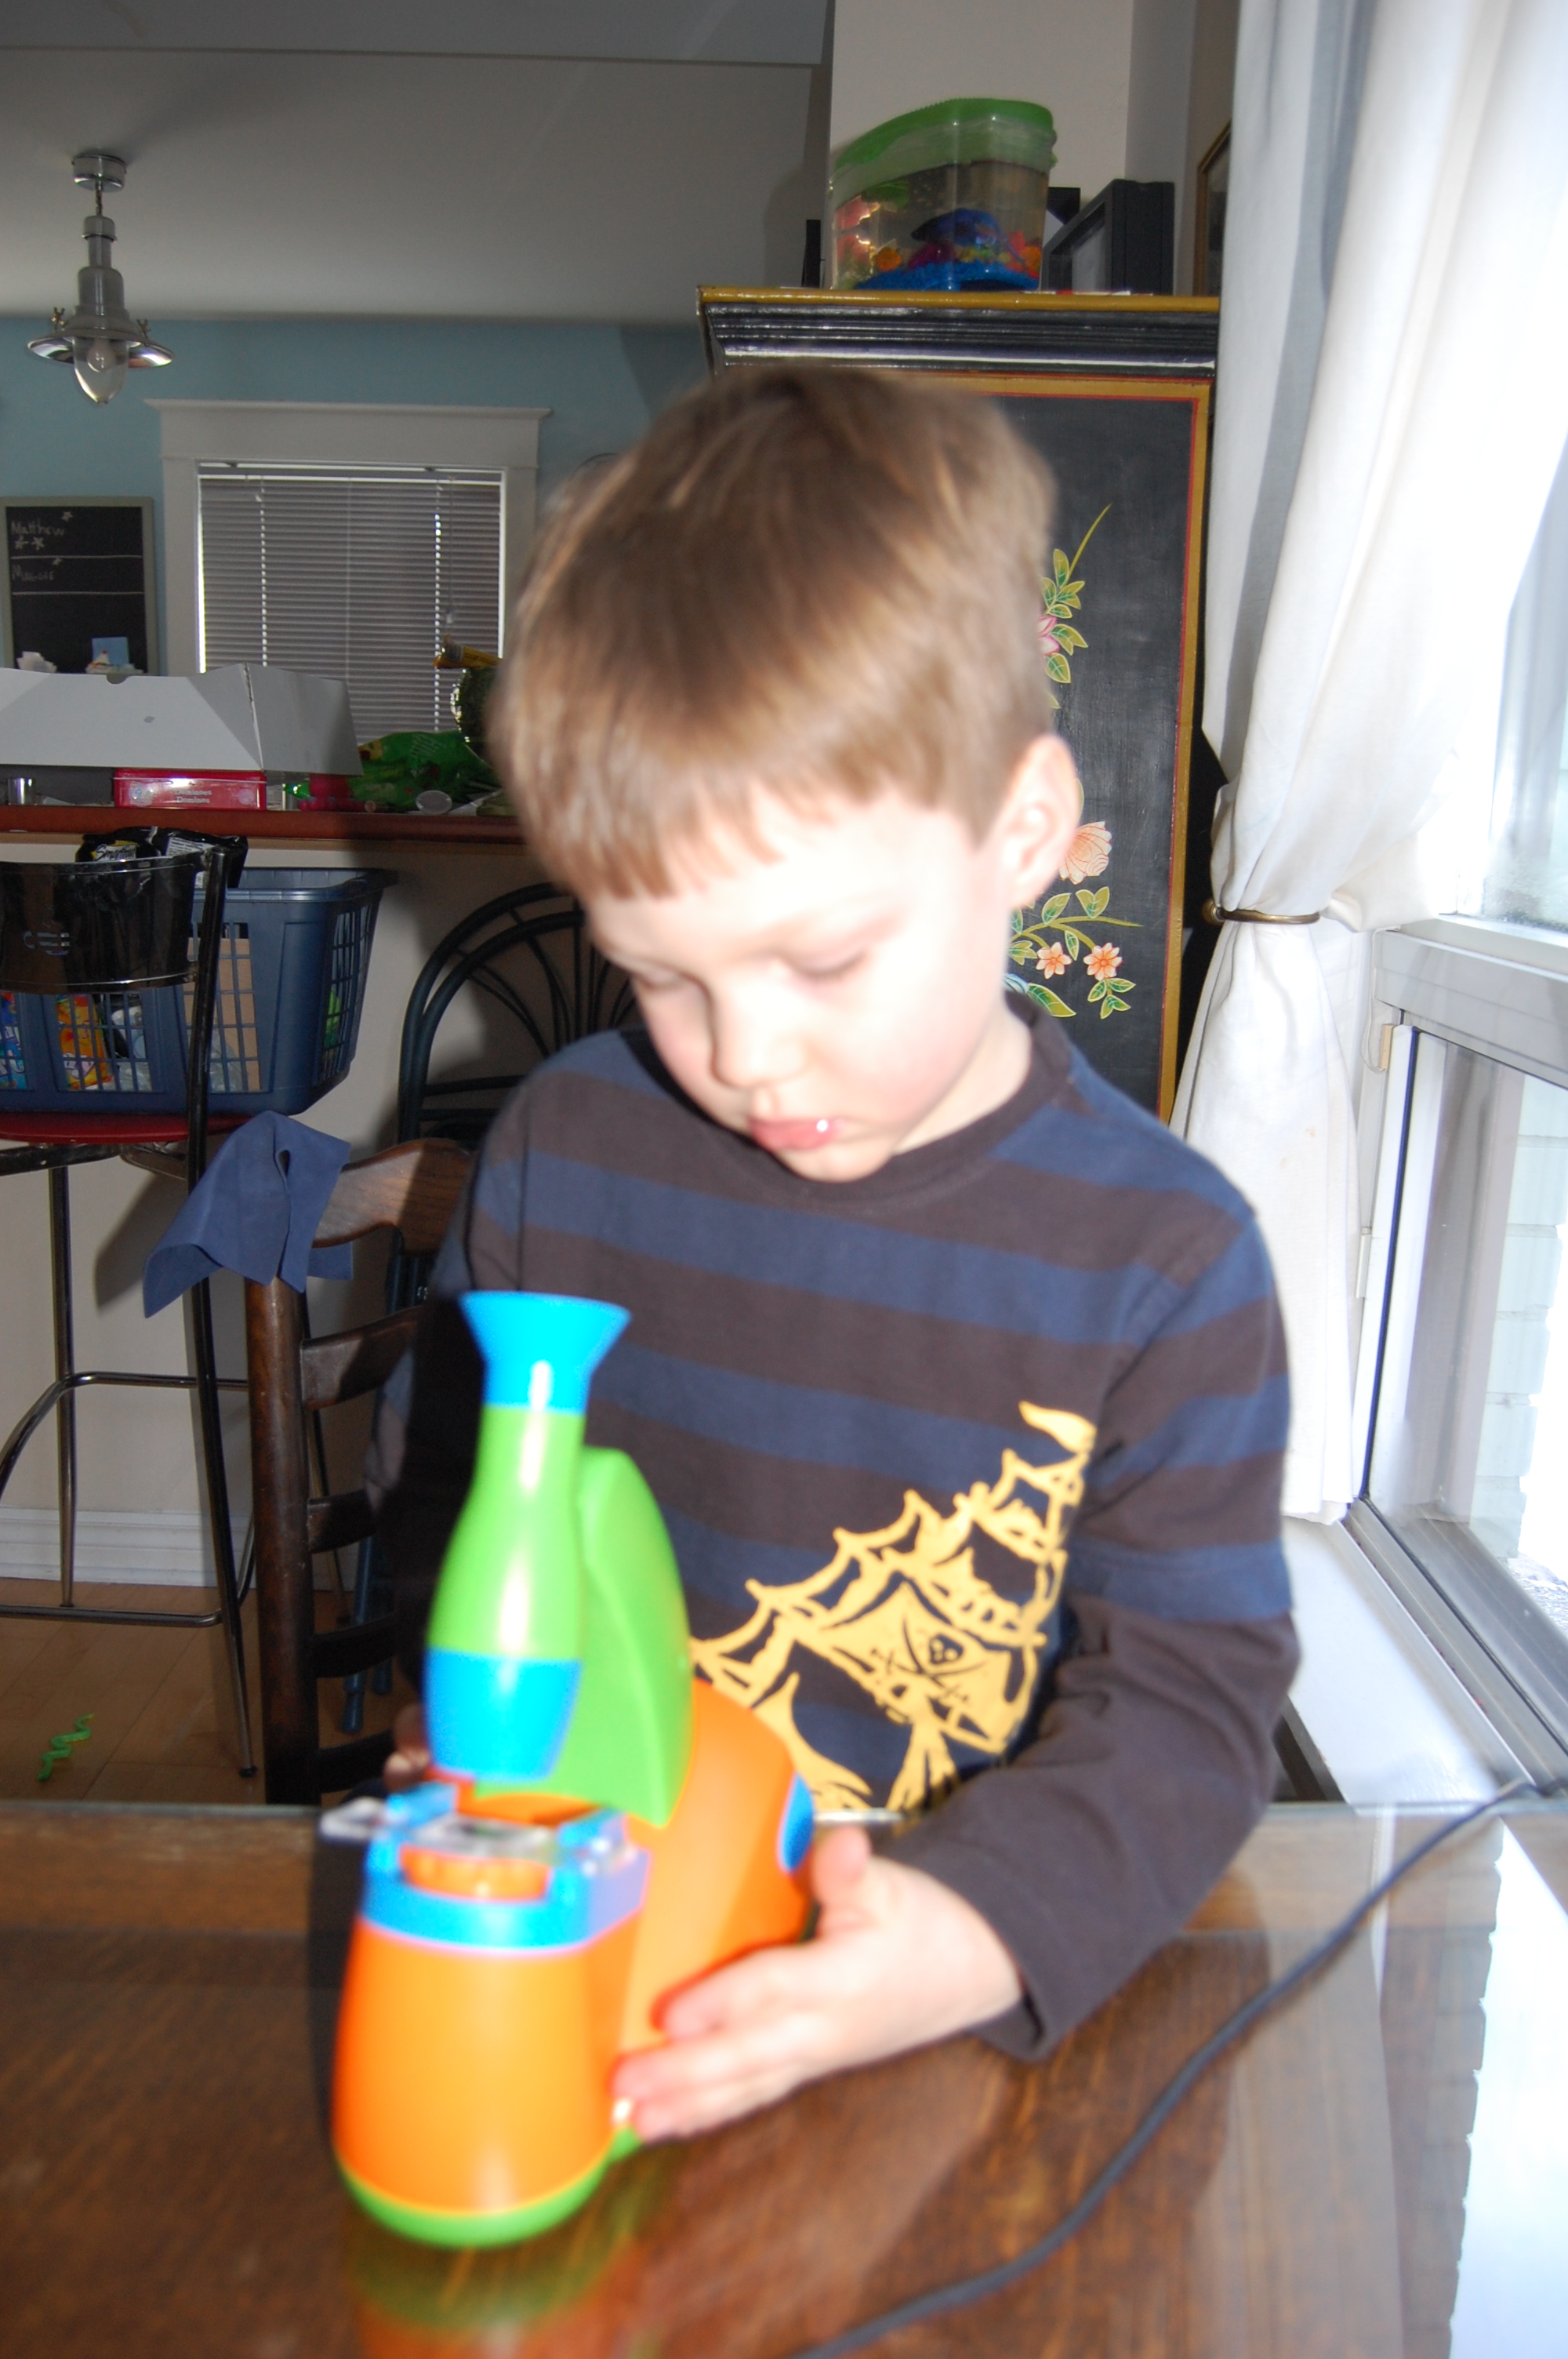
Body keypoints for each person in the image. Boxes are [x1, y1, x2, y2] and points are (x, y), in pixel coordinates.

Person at [366, 365, 1297, 2143]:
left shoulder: (1169, 1262)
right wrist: (441, 1700)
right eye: (660, 972)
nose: (745, 1055)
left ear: (1022, 831)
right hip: (606, 1958)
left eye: (821, 960)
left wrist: (956, 1937)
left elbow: (1193, 1707)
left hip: (956, 2025)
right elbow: (455, 1492)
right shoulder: (565, 1147)